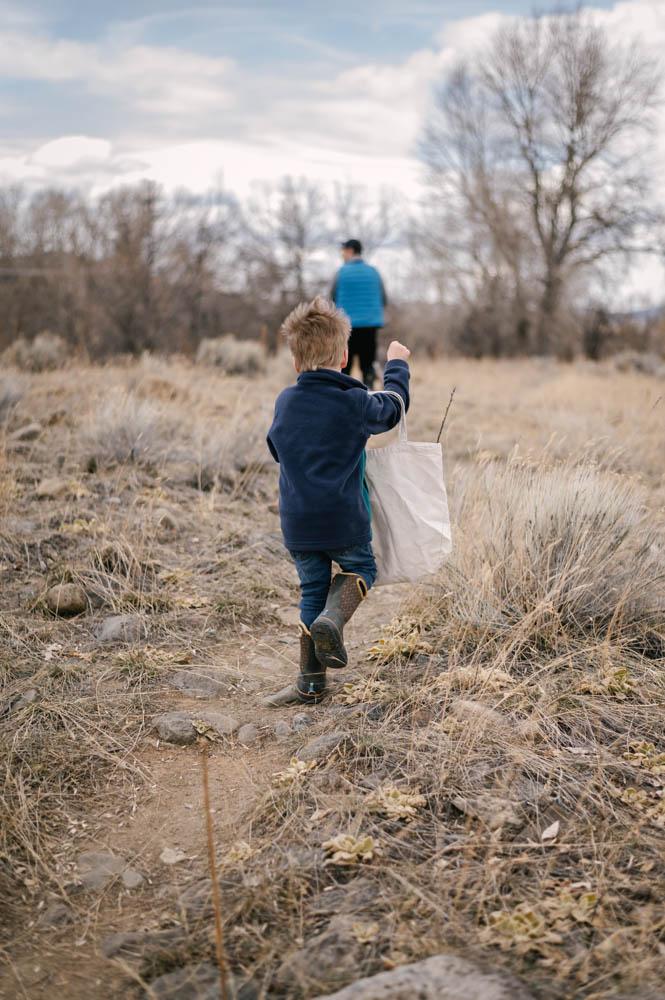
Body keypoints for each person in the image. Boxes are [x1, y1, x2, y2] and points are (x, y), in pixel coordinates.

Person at [267, 296, 410, 704]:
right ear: (345, 356)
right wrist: (397, 364)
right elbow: (395, 408)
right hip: (343, 519)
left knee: (311, 590)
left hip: (298, 523)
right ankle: (335, 617)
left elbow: (276, 448)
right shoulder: (354, 402)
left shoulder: (285, 402)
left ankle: (310, 682)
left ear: (296, 361)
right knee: (362, 567)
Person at [331, 238, 387, 388]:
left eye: (343, 251)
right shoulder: (374, 272)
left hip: (346, 327)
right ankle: (370, 395)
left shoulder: (341, 273)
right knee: (368, 365)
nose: (342, 255)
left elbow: (332, 298)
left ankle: (343, 398)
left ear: (350, 251)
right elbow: (383, 298)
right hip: (370, 326)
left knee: (344, 367)